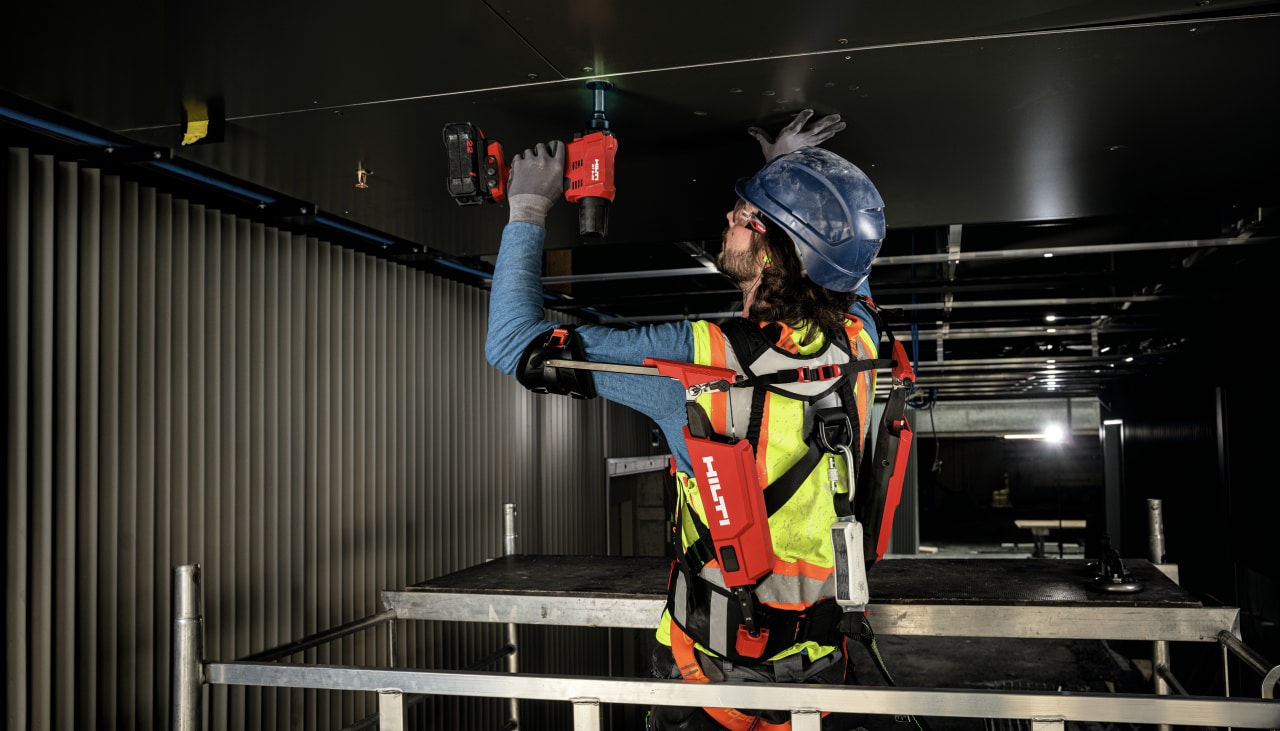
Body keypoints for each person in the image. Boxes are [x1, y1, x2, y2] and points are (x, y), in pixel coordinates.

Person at [485, 110, 893, 730]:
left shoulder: (698, 362)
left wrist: (528, 209)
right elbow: (844, 264)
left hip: (707, 685)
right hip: (816, 674)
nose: (729, 217)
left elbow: (515, 342)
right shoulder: (861, 342)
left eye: (745, 214)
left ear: (774, 248)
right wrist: (785, 177)